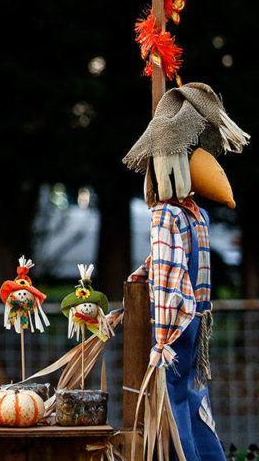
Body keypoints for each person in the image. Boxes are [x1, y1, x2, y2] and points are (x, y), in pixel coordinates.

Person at [124, 83, 249, 461]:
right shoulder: (198, 214)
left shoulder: (165, 215)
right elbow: (170, 263)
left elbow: (169, 280)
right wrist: (140, 274)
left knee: (175, 400)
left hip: (175, 322)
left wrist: (161, 341)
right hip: (197, 316)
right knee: (196, 396)